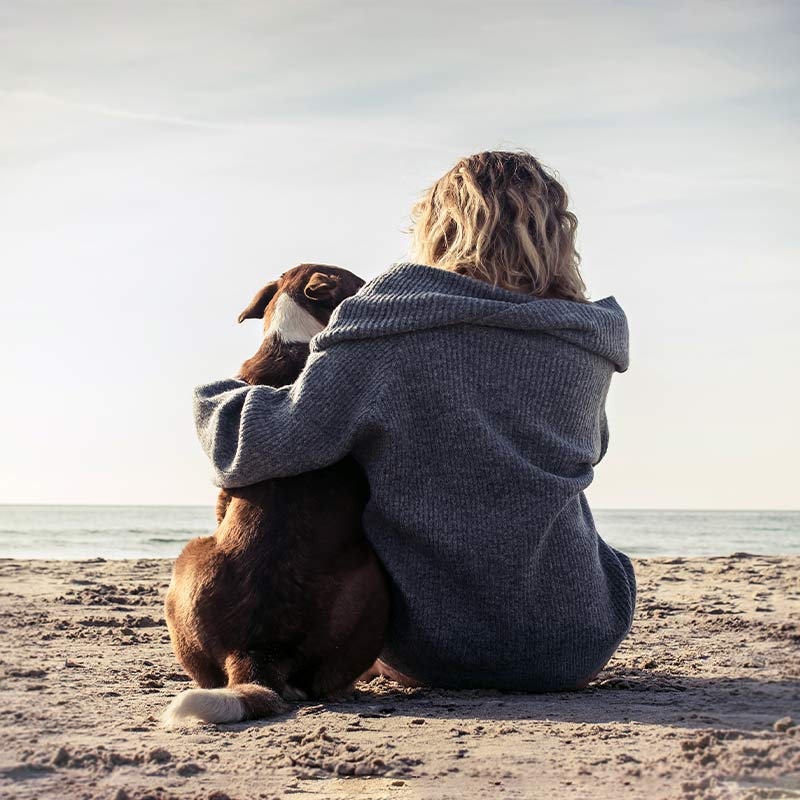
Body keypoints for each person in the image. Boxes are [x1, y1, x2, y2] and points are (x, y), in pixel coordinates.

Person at [193, 150, 636, 692]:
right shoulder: (584, 341)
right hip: (579, 641)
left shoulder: (388, 325)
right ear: (557, 236)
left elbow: (261, 449)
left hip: (435, 651)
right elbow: (590, 450)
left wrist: (220, 397)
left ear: (438, 230)